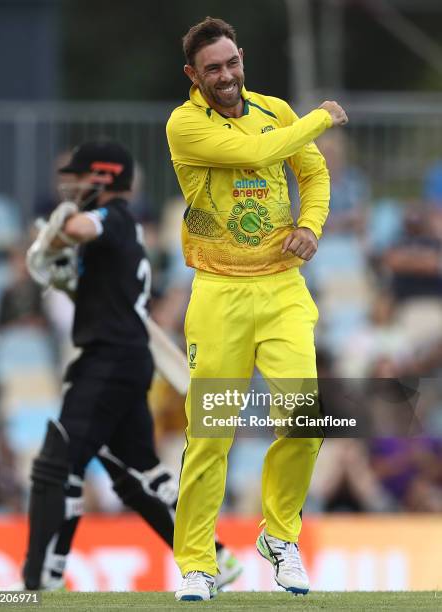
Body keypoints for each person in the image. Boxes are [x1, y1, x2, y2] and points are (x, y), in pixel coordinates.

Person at [166, 17, 348, 601]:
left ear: (242, 58)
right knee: (213, 433)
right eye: (211, 69)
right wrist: (322, 116)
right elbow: (259, 150)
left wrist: (311, 227)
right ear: (194, 75)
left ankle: (279, 536)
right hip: (219, 293)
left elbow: (313, 174)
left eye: (231, 63)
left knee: (303, 418)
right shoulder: (186, 124)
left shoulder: (274, 109)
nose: (225, 76)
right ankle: (198, 562)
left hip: (283, 291)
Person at [22, 141, 241, 591]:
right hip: (126, 358)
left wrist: (56, 233)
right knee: (136, 473)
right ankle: (211, 557)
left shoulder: (115, 218)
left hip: (108, 359)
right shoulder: (125, 229)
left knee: (60, 462)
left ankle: (39, 580)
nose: (72, 187)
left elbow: (82, 226)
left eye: (80, 177)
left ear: (102, 179)